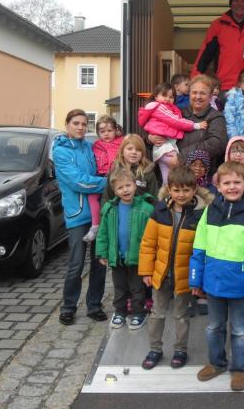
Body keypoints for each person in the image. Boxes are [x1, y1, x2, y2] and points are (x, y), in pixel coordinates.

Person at [190, 162, 244, 392]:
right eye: (227, 183)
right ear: (218, 185)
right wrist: (196, 280)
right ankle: (216, 363)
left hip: (240, 287)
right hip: (213, 284)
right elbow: (199, 248)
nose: (232, 187)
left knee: (240, 330)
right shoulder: (210, 211)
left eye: (237, 182)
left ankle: (240, 368)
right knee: (214, 327)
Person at [138, 166, 211, 369]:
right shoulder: (160, 211)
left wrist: (199, 279)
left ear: (194, 190)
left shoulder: (200, 216)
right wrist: (146, 271)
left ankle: (181, 350)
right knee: (157, 314)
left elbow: (204, 249)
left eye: (186, 190)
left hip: (185, 276)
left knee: (181, 315)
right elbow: (148, 243)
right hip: (160, 275)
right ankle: (155, 348)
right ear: (169, 189)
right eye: (176, 190)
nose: (181, 194)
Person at [53, 109, 108, 326]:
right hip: (78, 215)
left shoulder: (89, 147)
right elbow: (80, 182)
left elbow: (102, 167)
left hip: (98, 213)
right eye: (76, 123)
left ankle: (94, 306)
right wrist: (110, 182)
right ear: (67, 125)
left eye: (84, 124)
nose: (80, 127)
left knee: (99, 262)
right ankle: (68, 307)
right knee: (76, 264)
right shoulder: (61, 151)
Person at [95, 167, 155, 330]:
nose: (125, 190)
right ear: (114, 190)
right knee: (120, 287)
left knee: (137, 288)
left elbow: (152, 235)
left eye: (128, 185)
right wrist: (102, 252)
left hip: (137, 258)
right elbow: (103, 233)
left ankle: (138, 313)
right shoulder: (110, 209)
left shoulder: (146, 209)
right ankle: (120, 312)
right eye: (120, 187)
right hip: (117, 257)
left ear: (135, 185)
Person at [147, 75, 228, 176]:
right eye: (194, 92)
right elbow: (156, 127)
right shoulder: (177, 113)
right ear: (189, 94)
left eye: (203, 93)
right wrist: (150, 138)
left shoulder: (216, 117)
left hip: (201, 177)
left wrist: (183, 157)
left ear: (210, 96)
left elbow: (217, 143)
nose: (198, 97)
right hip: (173, 175)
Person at [138, 82, 208, 185]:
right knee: (180, 174)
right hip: (166, 148)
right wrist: (196, 125)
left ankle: (166, 198)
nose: (167, 99)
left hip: (161, 149)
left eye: (171, 97)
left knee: (168, 181)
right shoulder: (159, 107)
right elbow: (175, 121)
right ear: (156, 96)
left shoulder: (163, 108)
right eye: (164, 95)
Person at [84, 115, 124, 243]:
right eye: (102, 131)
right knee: (92, 196)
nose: (106, 134)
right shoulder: (96, 145)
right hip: (100, 175)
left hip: (117, 176)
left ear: (115, 131)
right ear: (98, 133)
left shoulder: (121, 142)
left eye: (109, 131)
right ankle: (95, 225)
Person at [108, 134, 159, 199]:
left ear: (142, 154)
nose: (134, 152)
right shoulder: (115, 171)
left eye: (138, 150)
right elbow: (107, 197)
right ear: (122, 152)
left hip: (143, 209)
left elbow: (155, 198)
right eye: (130, 149)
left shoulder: (148, 172)